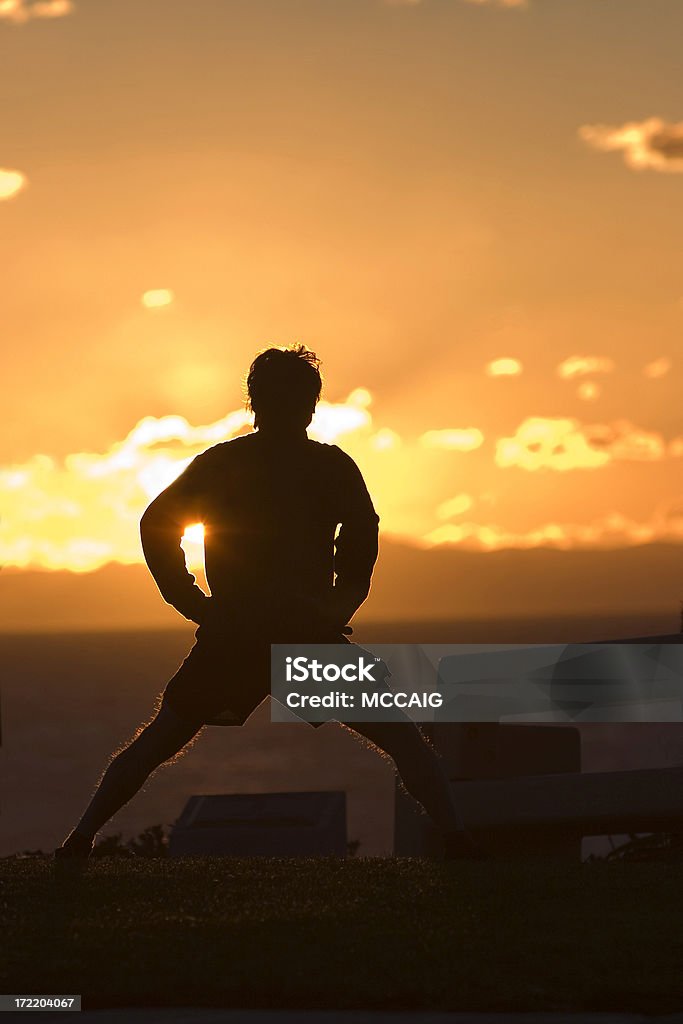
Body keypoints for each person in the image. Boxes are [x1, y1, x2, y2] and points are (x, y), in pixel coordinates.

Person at [56, 346, 481, 859]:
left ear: (256, 403)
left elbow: (157, 523)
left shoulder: (230, 464)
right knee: (404, 739)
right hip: (296, 633)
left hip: (242, 633)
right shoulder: (323, 465)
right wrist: (337, 604)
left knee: (159, 740)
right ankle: (458, 841)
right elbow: (362, 537)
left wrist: (192, 601)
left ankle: (79, 841)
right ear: (307, 404)